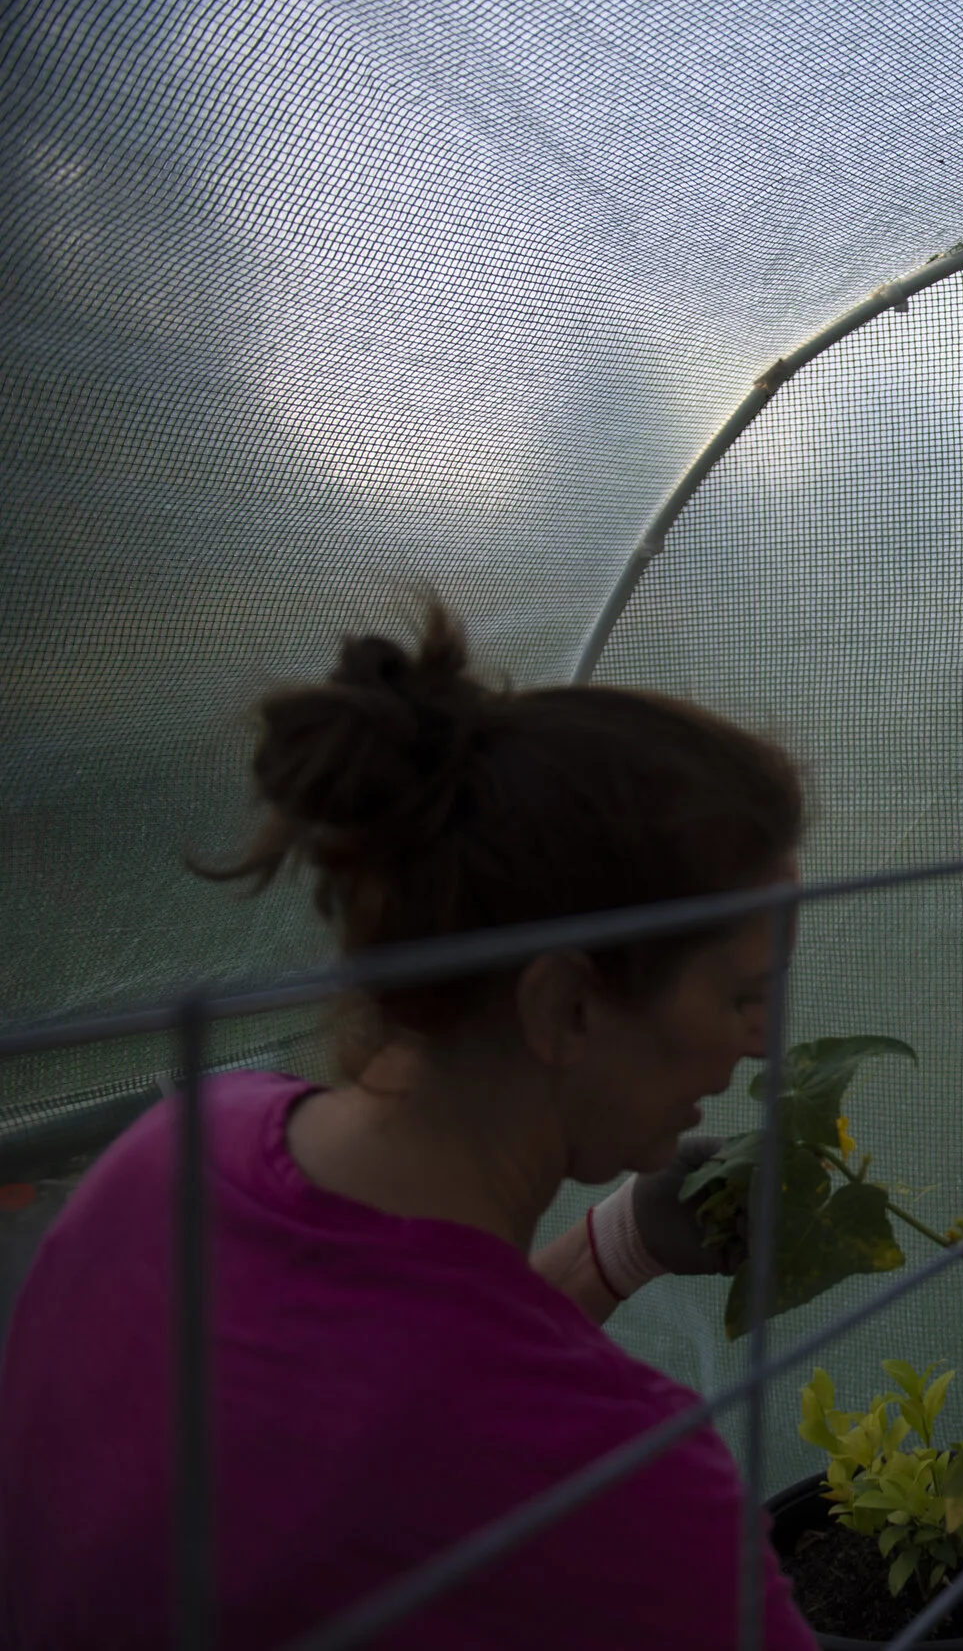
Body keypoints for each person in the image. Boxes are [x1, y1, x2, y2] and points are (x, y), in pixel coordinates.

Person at [0, 598, 819, 1648]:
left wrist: (611, 1251)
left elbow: (385, 1378)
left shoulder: (177, 1150)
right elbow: (445, 1411)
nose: (762, 1042)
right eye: (746, 996)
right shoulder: (624, 1482)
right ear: (564, 1007)